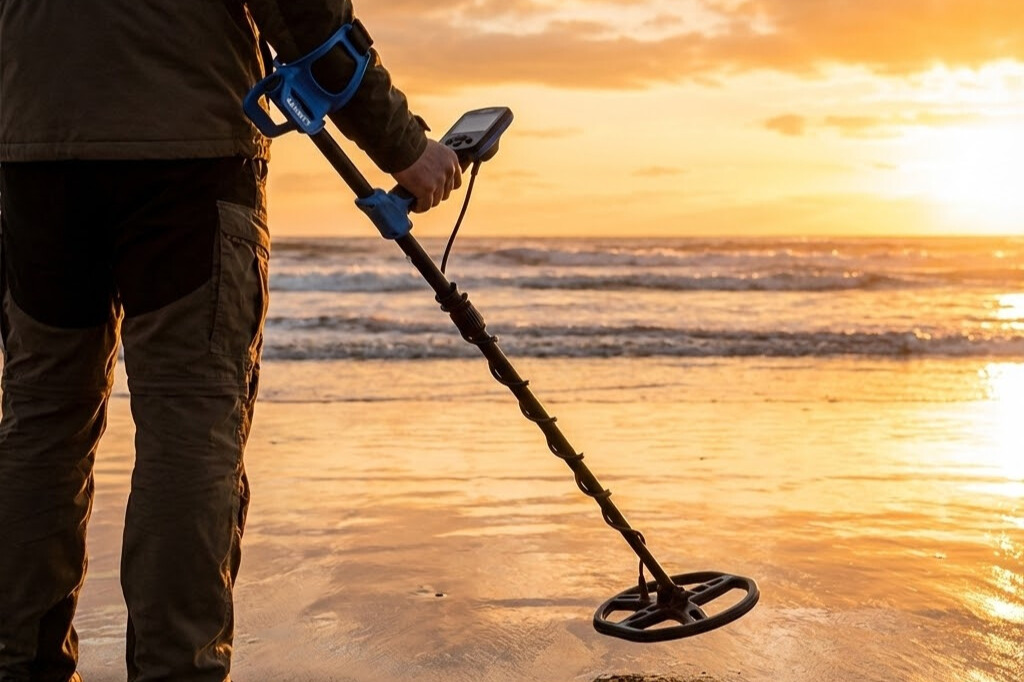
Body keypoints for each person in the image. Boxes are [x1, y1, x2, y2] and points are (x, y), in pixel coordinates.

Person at [0, 2, 461, 680]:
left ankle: (17, 663)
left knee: (40, 422)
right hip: (187, 156)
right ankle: (176, 670)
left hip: (33, 151)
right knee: (190, 423)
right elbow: (306, 13)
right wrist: (404, 147)